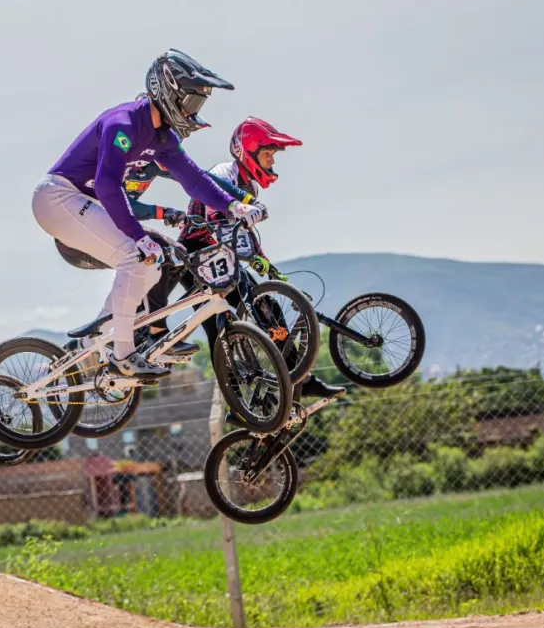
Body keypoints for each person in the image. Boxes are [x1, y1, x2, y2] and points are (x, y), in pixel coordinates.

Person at [32, 49, 266, 379]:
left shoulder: (163, 139)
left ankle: (95, 336)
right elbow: (107, 185)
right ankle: (123, 353)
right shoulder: (124, 122)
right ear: (167, 92)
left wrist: (235, 205)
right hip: (56, 197)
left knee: (153, 266)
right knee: (138, 254)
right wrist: (139, 236)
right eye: (191, 102)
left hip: (77, 202)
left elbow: (195, 179)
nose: (193, 111)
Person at [176, 117, 348, 412]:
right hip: (196, 254)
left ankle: (299, 377)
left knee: (268, 307)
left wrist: (272, 272)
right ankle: (237, 407)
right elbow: (217, 221)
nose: (271, 162)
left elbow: (246, 238)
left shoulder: (249, 188)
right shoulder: (223, 173)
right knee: (217, 331)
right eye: (267, 155)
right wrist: (251, 256)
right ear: (248, 152)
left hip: (222, 255)